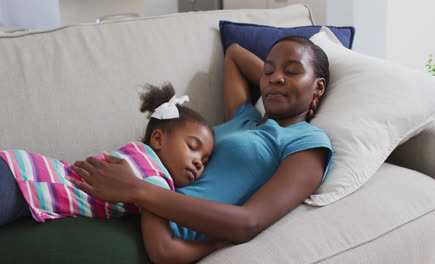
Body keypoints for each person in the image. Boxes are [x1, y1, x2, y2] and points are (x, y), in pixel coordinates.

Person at [68, 35, 333, 262]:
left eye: (292, 71)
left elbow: (248, 222)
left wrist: (139, 190)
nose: (275, 78)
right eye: (268, 71)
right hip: (117, 205)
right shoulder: (243, 117)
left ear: (319, 85)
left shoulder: (307, 142)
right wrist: (280, 80)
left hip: (158, 235)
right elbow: (235, 55)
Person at [0, 82, 224, 262]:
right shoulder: (153, 180)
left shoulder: (135, 156)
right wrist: (211, 244)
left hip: (14, 168)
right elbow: (162, 252)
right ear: (157, 139)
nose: (199, 163)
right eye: (192, 147)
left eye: (204, 159)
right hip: (21, 184)